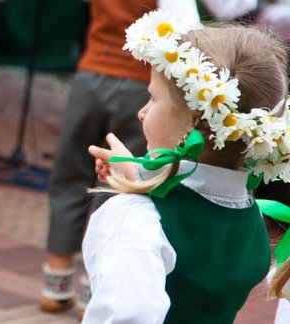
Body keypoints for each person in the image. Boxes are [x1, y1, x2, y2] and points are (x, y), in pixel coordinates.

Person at [82, 10, 289, 323]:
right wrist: (141, 177)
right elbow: (202, 198)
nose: (142, 112)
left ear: (193, 119)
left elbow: (126, 316)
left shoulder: (135, 220)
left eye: (153, 99)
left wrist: (135, 199)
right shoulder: (251, 220)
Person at [39, 0, 201, 316]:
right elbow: (190, 28)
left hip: (90, 75)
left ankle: (55, 280)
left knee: (70, 171)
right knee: (120, 177)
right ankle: (92, 289)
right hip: (137, 84)